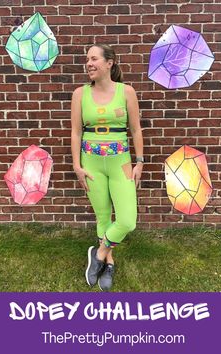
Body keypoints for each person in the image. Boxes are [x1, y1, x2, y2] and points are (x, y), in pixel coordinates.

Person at [71, 44, 144, 291]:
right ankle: (109, 263)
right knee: (102, 215)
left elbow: (135, 130)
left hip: (120, 162)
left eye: (94, 59)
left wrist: (140, 162)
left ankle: (99, 253)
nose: (88, 63)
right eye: (87, 59)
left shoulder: (127, 92)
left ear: (109, 63)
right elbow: (76, 131)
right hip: (91, 163)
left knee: (126, 220)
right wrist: (76, 166)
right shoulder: (80, 93)